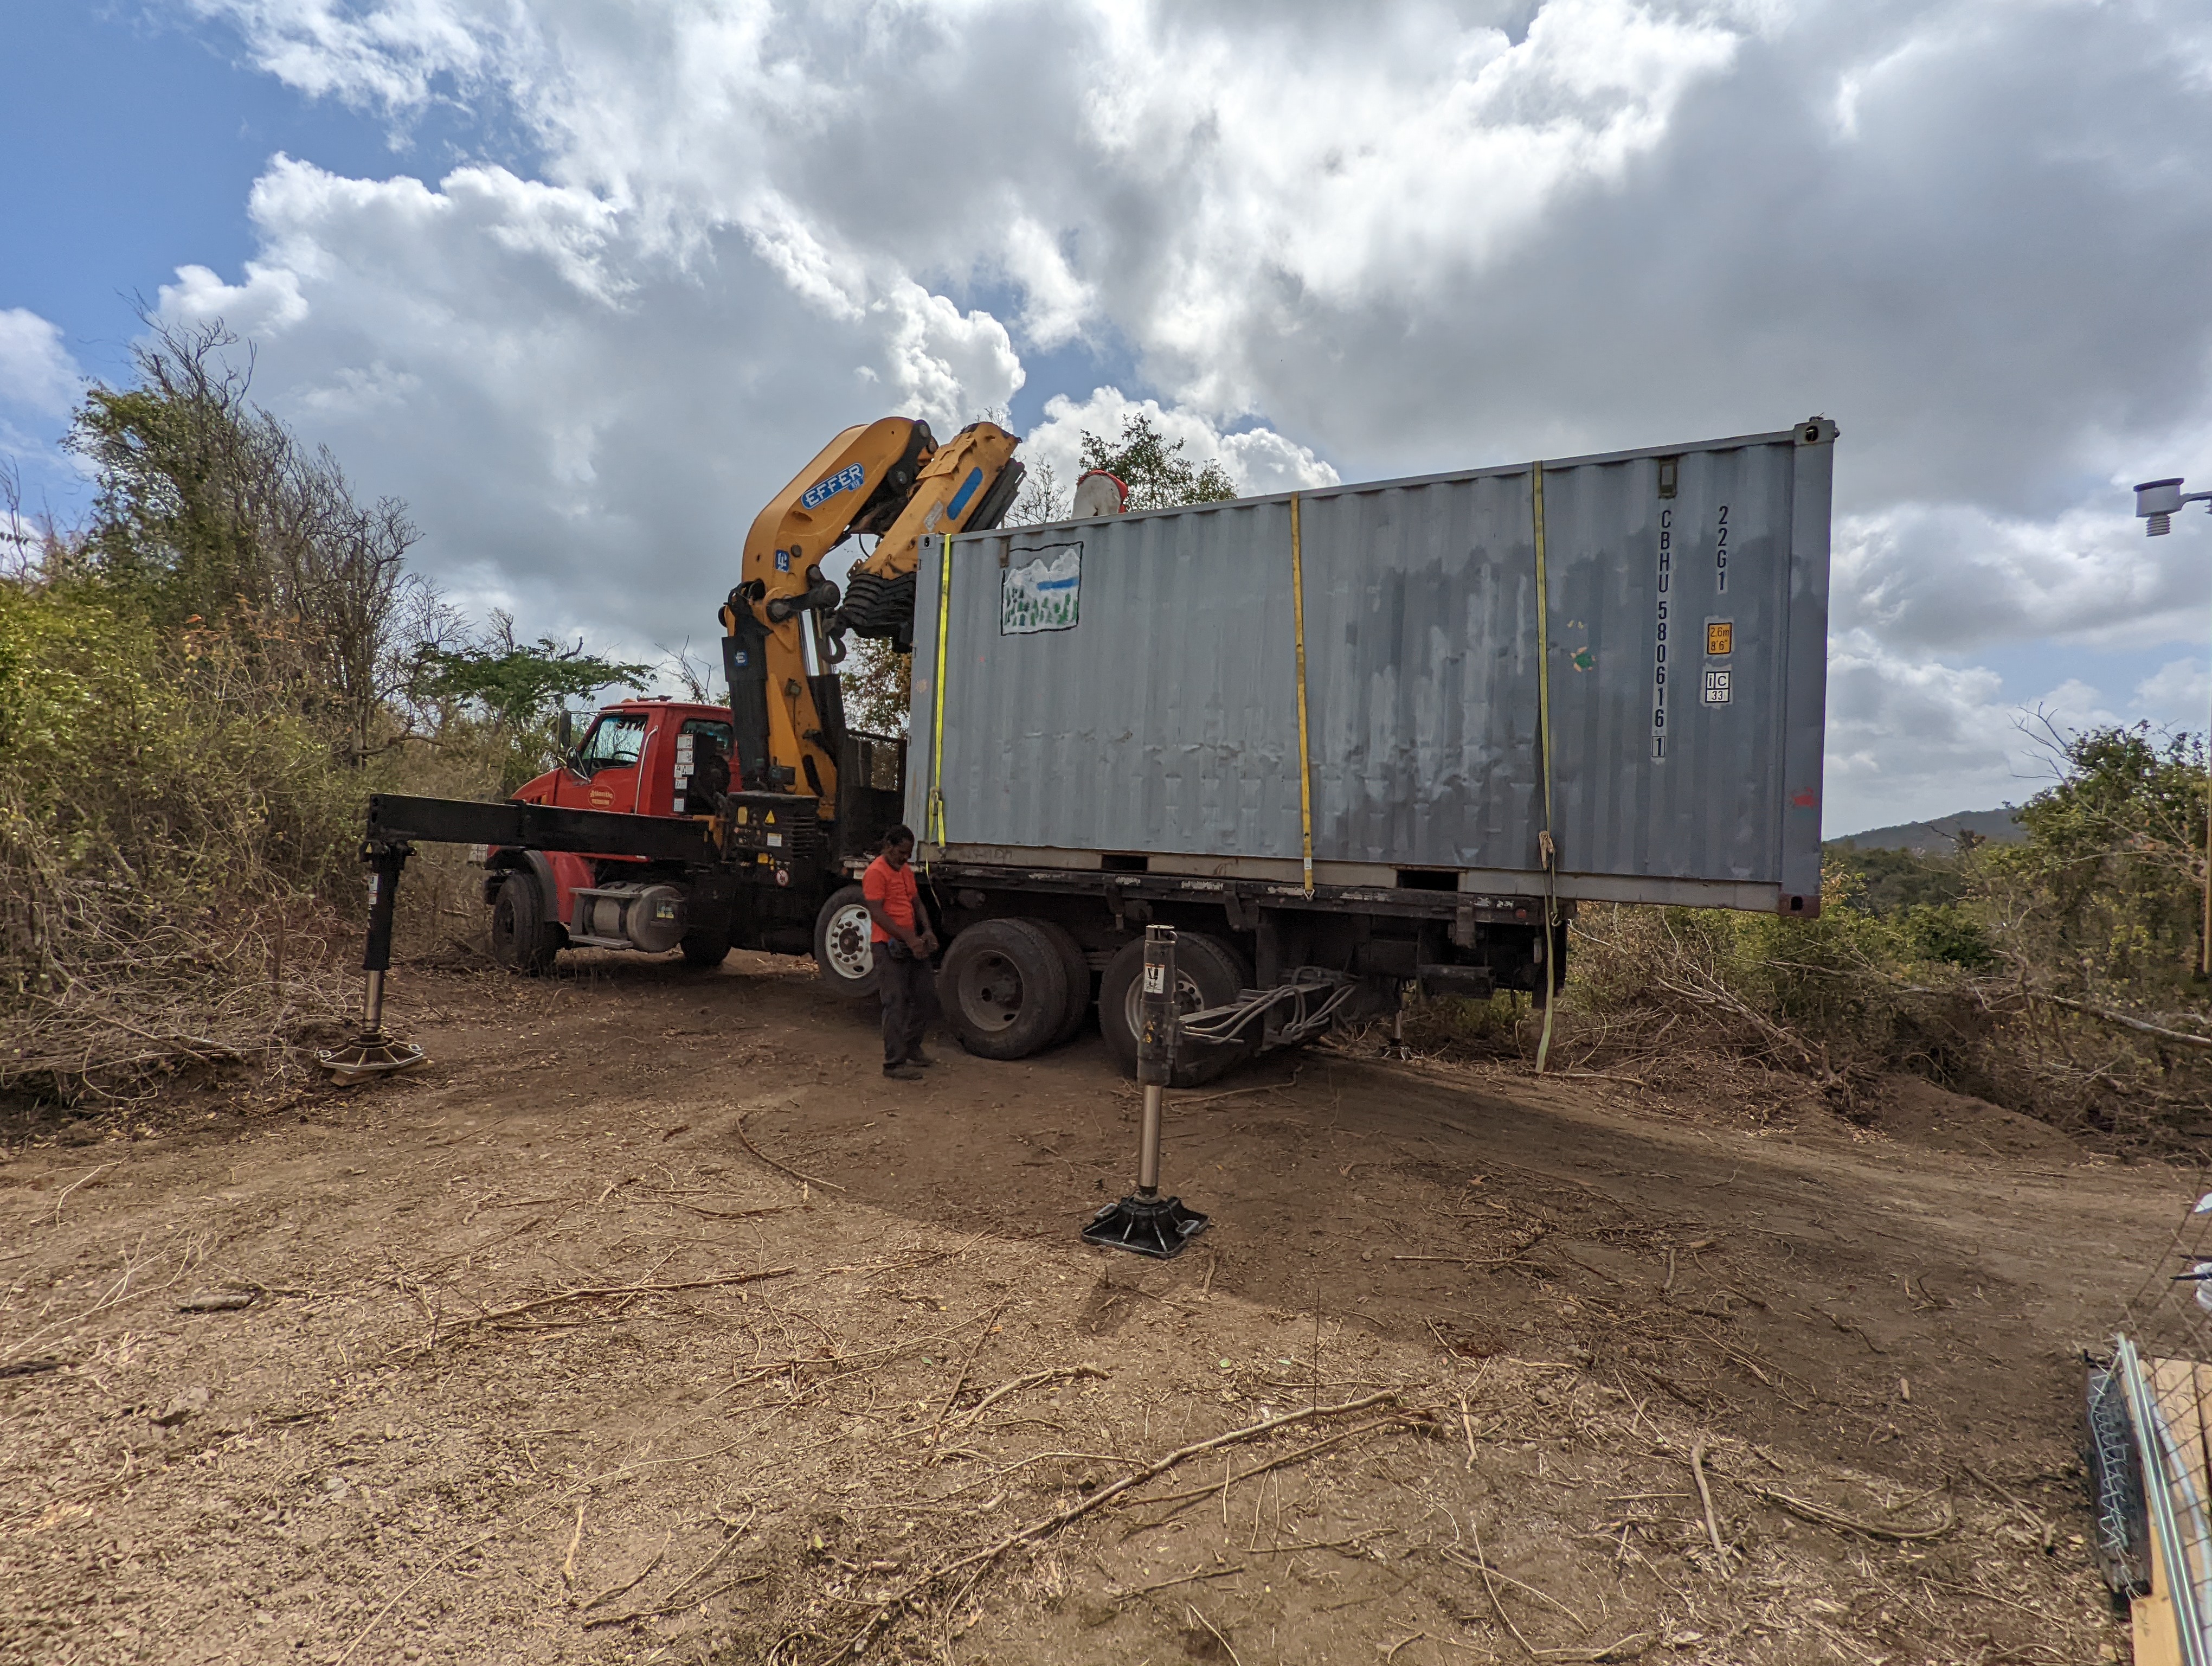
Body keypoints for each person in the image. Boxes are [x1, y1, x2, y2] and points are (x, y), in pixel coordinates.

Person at [863, 824, 940, 1080]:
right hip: (887, 946)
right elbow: (876, 912)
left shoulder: (905, 871)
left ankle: (911, 1047)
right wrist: (909, 937)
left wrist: (927, 931)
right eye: (901, 853)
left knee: (927, 996)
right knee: (895, 1002)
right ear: (888, 846)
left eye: (908, 854)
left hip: (909, 943)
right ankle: (893, 1063)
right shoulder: (876, 872)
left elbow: (916, 903)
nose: (904, 858)